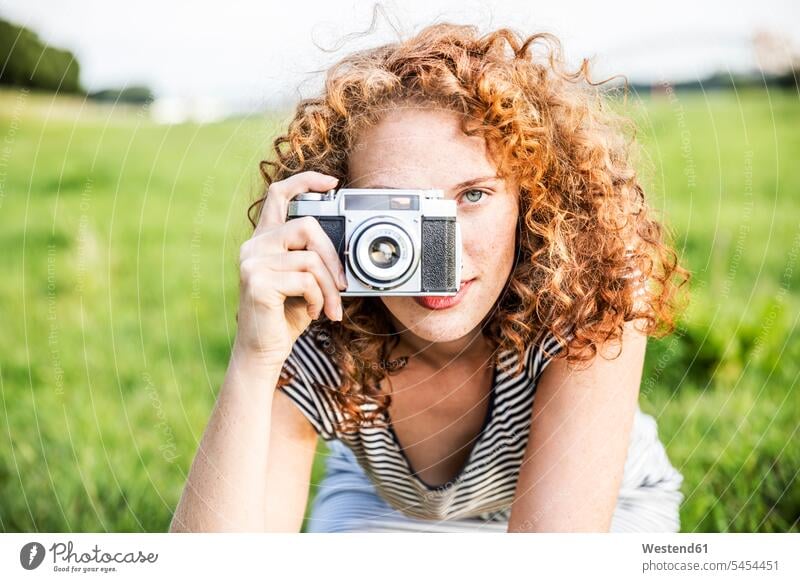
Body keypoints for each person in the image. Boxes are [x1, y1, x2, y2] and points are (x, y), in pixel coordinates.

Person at [170, 22, 691, 533]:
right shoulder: (317, 306)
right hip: (391, 505)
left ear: (532, 201)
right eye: (396, 214)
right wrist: (256, 357)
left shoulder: (583, 296)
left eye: (472, 195)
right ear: (335, 212)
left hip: (609, 501)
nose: (437, 251)